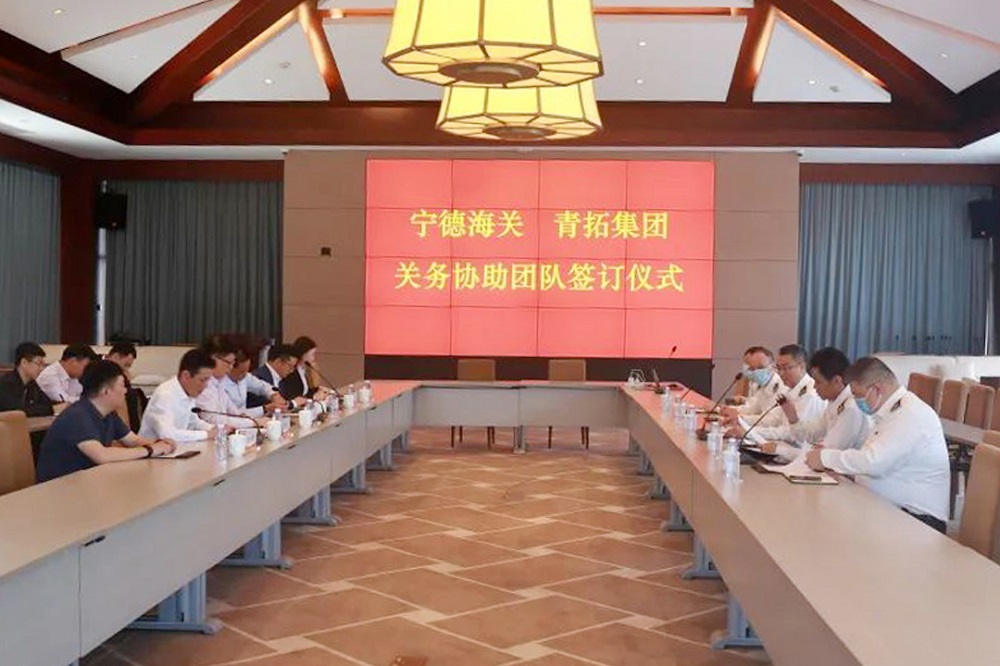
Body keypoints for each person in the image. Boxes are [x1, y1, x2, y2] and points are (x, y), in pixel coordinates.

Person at [805, 357, 951, 533]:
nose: (856, 401)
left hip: (917, 521)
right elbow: (876, 461)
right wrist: (847, 473)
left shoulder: (909, 414)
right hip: (889, 509)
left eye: (858, 395)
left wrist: (825, 458)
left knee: (833, 528)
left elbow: (873, 462)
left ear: (877, 389)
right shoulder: (888, 413)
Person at [36, 360, 176, 483]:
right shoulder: (77, 416)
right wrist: (150, 450)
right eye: (122, 385)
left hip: (87, 483)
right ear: (105, 391)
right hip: (60, 490)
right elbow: (102, 455)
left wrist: (161, 443)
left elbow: (133, 440)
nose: (125, 391)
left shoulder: (108, 413)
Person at [754, 347, 871, 460]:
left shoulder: (850, 408)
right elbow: (810, 434)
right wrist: (793, 419)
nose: (815, 386)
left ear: (837, 381)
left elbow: (825, 456)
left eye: (818, 382)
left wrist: (780, 450)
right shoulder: (834, 403)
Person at [726, 344, 825, 431]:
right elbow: (773, 419)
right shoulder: (790, 390)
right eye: (779, 368)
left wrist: (747, 430)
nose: (781, 373)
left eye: (786, 368)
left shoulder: (809, 394)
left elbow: (793, 435)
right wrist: (740, 421)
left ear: (802, 366)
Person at [139, 349, 218, 443]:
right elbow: (167, 435)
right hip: (154, 450)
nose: (205, 386)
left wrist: (215, 429)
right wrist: (207, 434)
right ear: (186, 376)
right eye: (202, 380)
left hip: (179, 448)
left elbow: (194, 422)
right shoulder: (165, 395)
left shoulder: (188, 392)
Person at [195, 341, 268, 428]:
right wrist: (253, 423)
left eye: (232, 363)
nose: (230, 367)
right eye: (228, 363)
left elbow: (234, 412)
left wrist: (248, 418)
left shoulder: (218, 382)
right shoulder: (202, 383)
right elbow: (213, 418)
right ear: (213, 359)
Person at [721, 346, 783, 421]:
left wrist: (739, 419)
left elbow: (770, 420)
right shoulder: (762, 384)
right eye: (752, 368)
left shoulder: (781, 387)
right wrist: (724, 410)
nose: (756, 372)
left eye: (760, 367)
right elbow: (752, 409)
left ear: (773, 366)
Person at [223, 347, 286, 417]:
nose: (245, 375)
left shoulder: (246, 377)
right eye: (241, 372)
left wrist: (274, 395)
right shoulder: (221, 384)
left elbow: (262, 386)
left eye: (247, 370)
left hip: (248, 420)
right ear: (230, 367)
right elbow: (232, 413)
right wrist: (265, 409)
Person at [0, 342, 54, 417]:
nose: (42, 368)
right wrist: (51, 409)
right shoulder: (6, 384)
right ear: (24, 362)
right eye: (39, 363)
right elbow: (19, 411)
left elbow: (47, 403)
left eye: (43, 365)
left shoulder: (32, 383)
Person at [280, 336, 332, 403]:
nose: (314, 358)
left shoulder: (302, 370)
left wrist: (318, 390)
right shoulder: (291, 372)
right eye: (312, 354)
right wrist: (314, 397)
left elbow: (305, 391)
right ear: (304, 354)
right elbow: (293, 395)